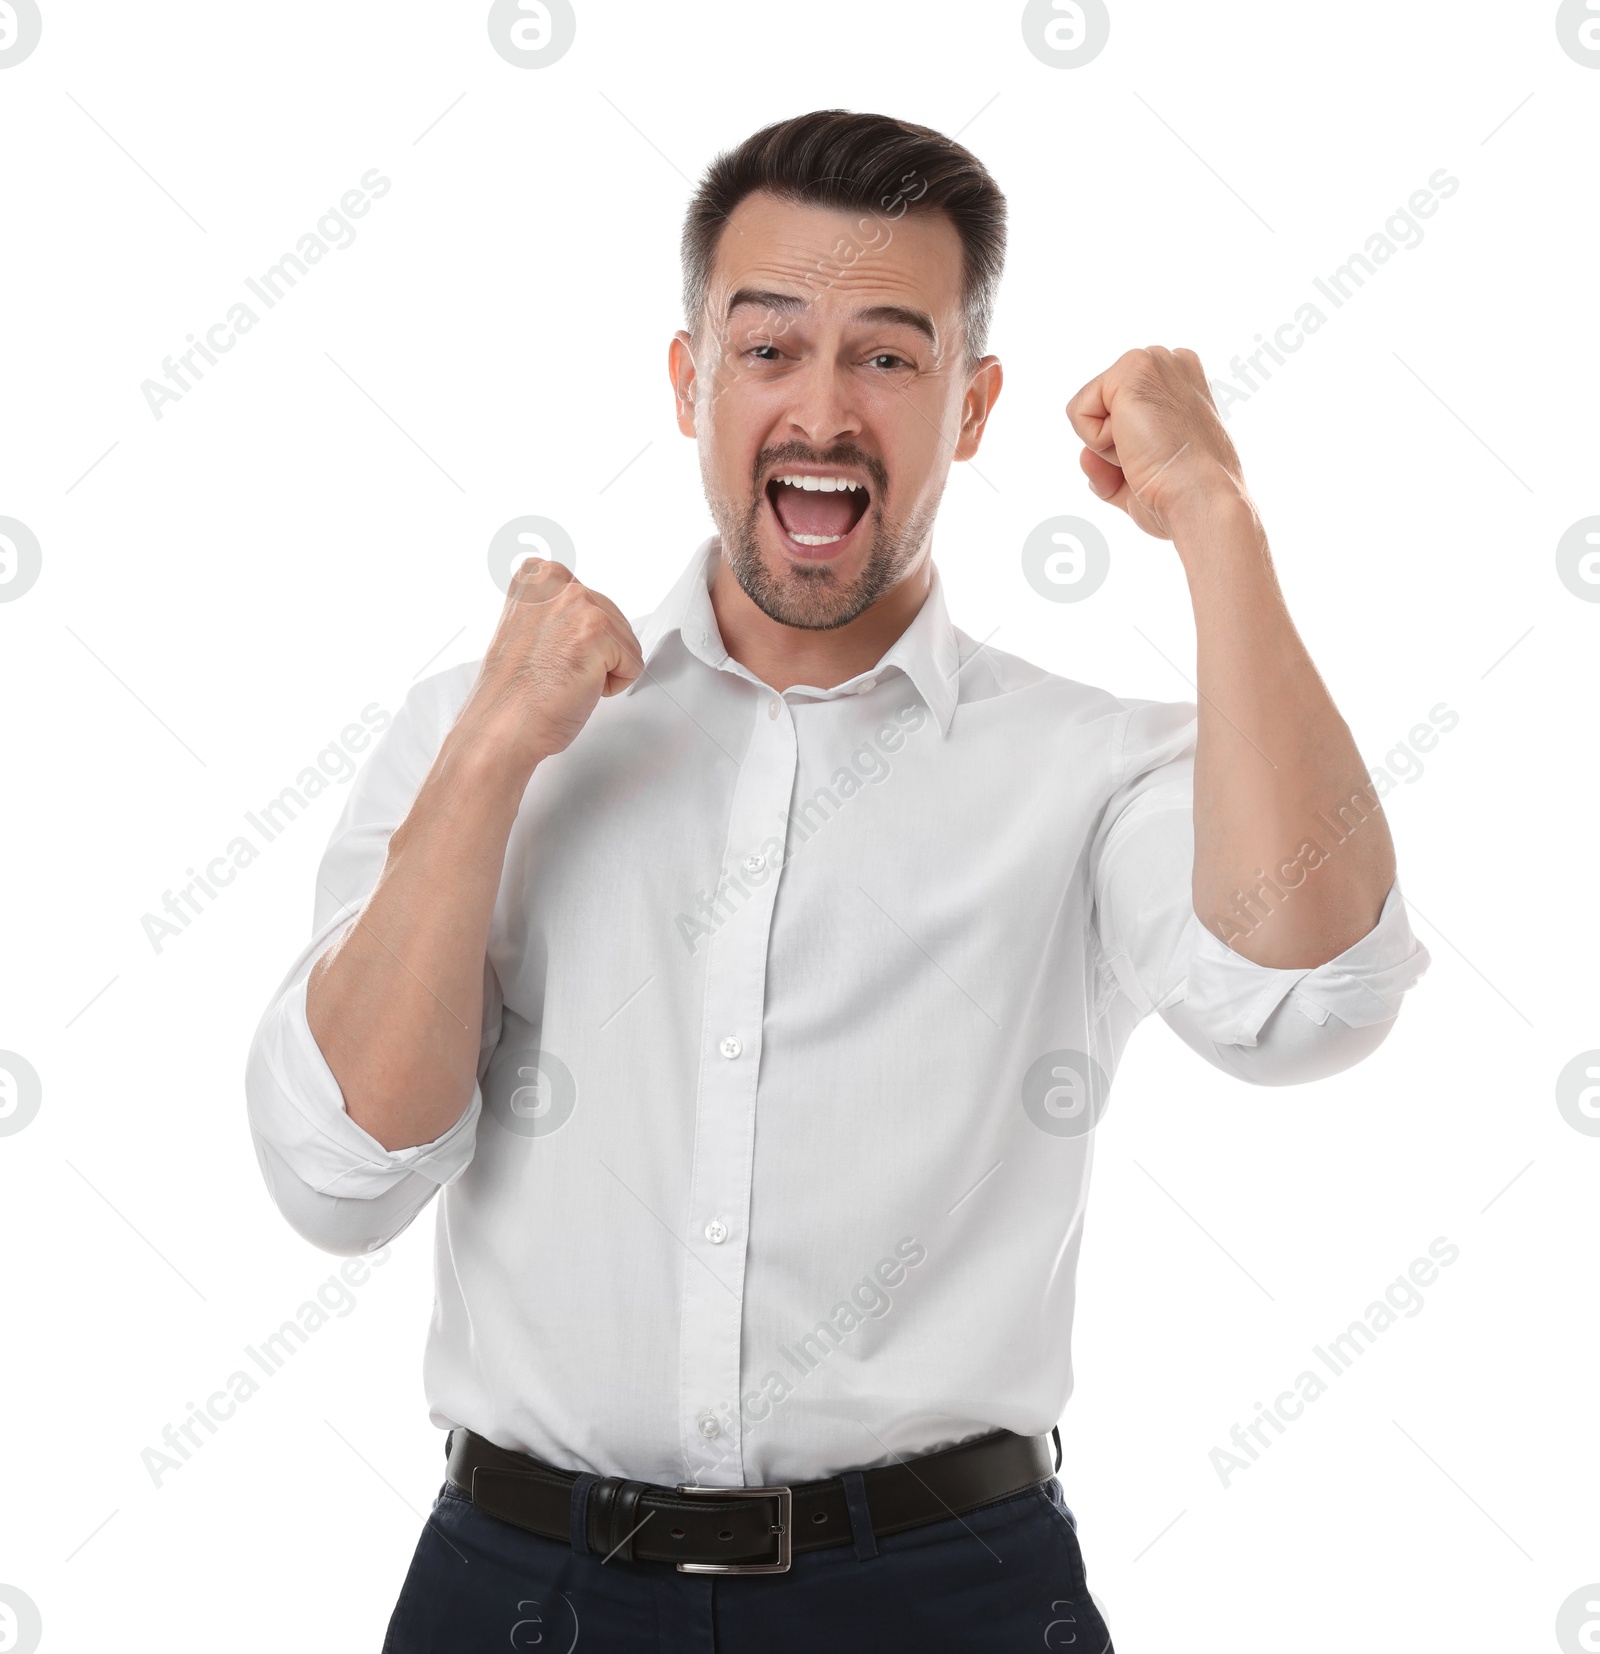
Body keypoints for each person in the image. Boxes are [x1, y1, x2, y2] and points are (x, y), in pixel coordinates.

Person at [245, 109, 1429, 1652]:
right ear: (690, 383)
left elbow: (1314, 998)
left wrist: (1216, 515)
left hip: (946, 1596)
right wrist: (489, 768)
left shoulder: (1092, 771)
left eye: (887, 355)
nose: (823, 408)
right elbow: (336, 1177)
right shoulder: (491, 731)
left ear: (973, 402)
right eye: (768, 349)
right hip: (519, 1590)